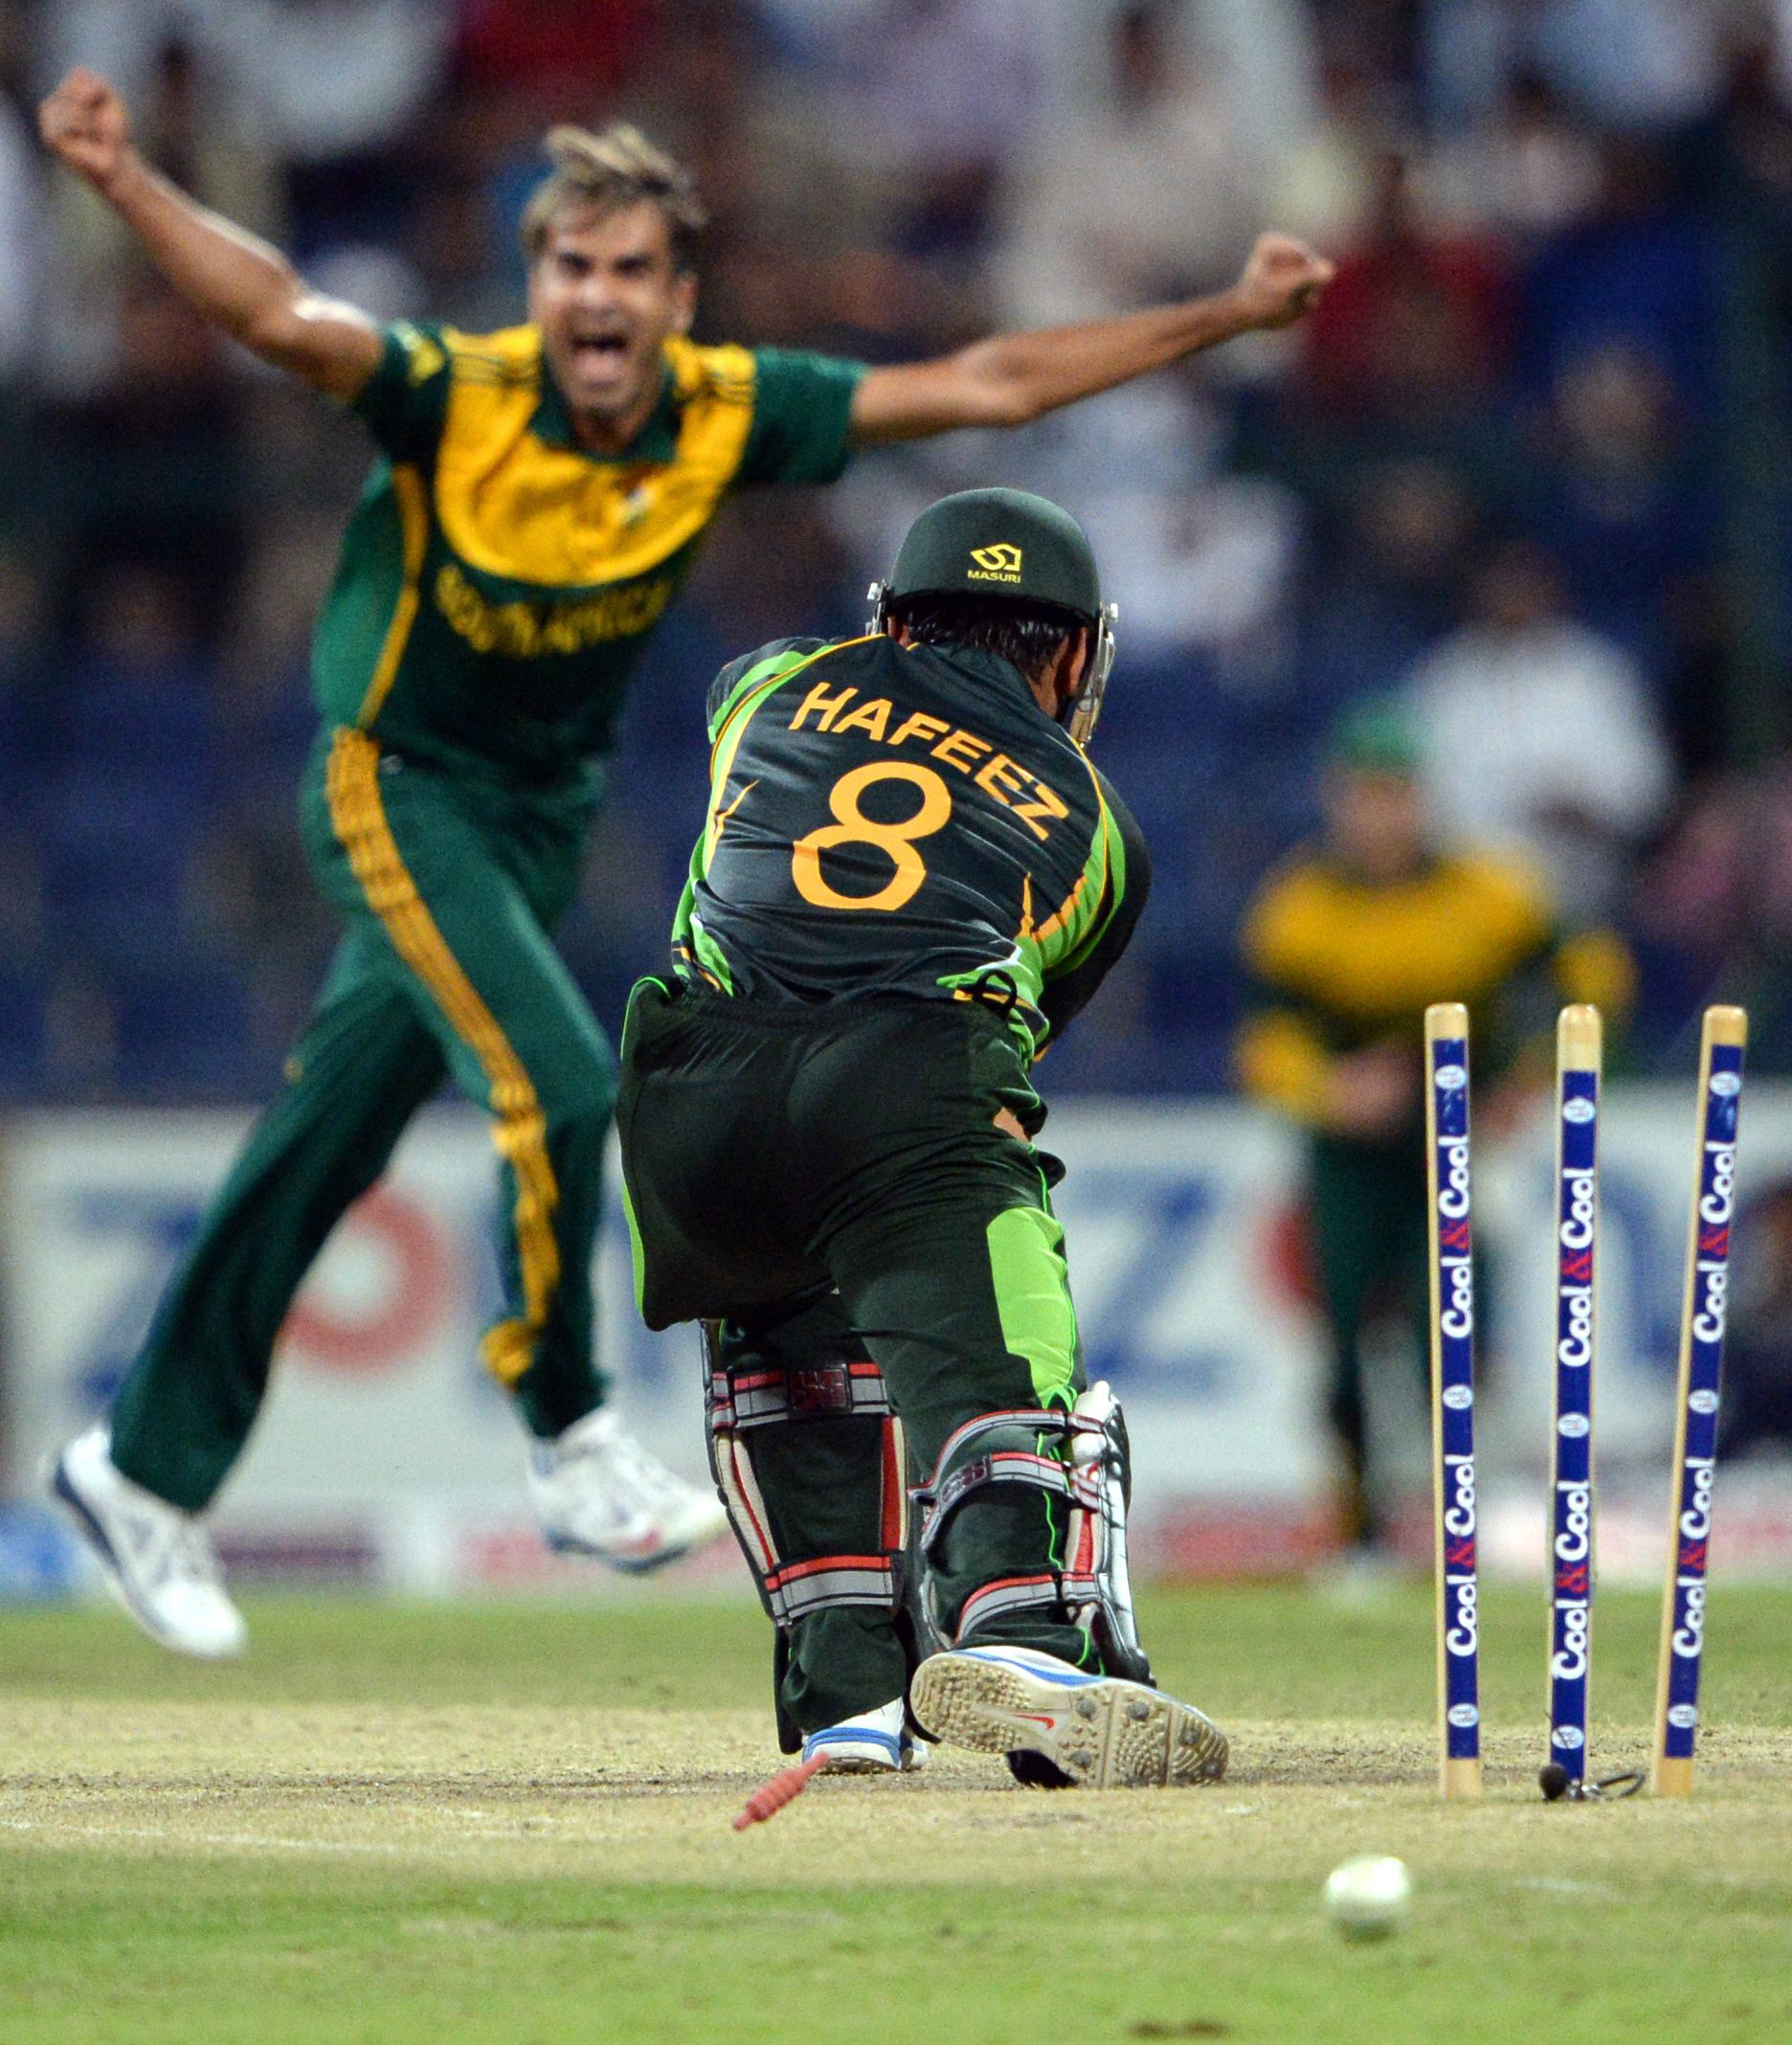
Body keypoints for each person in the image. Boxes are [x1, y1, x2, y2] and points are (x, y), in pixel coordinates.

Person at [36, 65, 1332, 1660]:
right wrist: (120, 183)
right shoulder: (458, 392)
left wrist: (1225, 313)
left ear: (677, 297)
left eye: (632, 270)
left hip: (539, 803)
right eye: (570, 265)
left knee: (338, 1112)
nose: (598, 298)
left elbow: (991, 382)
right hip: (402, 785)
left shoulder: (719, 411)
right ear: (535, 283)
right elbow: (286, 317)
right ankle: (571, 1430)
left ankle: (139, 1464)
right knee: (566, 1084)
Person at [617, 486, 1227, 1788]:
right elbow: (1005, 1046)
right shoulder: (1099, 828)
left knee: (785, 1337)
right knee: (989, 1322)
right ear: (1071, 654)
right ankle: (1019, 1626)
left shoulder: (765, 683)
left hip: (690, 1078)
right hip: (902, 1071)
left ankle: (846, 1694)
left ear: (891, 617)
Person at [1234, 701, 1631, 1577]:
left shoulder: (1490, 890)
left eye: (1398, 794)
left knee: (1451, 1330)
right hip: (1348, 1154)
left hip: (1453, 1149)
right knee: (1340, 1342)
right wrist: (1332, 1090)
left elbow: (1592, 974)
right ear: (1337, 799)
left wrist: (1531, 1078)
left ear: (1423, 799)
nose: (1381, 814)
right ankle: (1359, 1530)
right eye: (1365, 795)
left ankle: (1469, 1516)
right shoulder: (1300, 906)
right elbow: (1264, 1039)